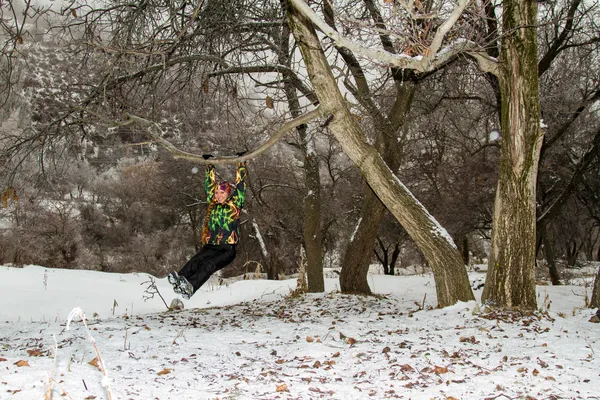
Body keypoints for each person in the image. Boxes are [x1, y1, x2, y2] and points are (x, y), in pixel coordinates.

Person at [168, 153, 247, 299]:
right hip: (211, 245)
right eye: (216, 193)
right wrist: (209, 165)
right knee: (196, 260)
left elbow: (241, 185)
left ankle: (190, 287)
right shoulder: (213, 203)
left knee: (208, 265)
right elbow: (209, 184)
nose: (218, 195)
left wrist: (241, 164)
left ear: (228, 193)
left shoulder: (235, 204)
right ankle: (180, 279)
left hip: (227, 249)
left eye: (221, 193)